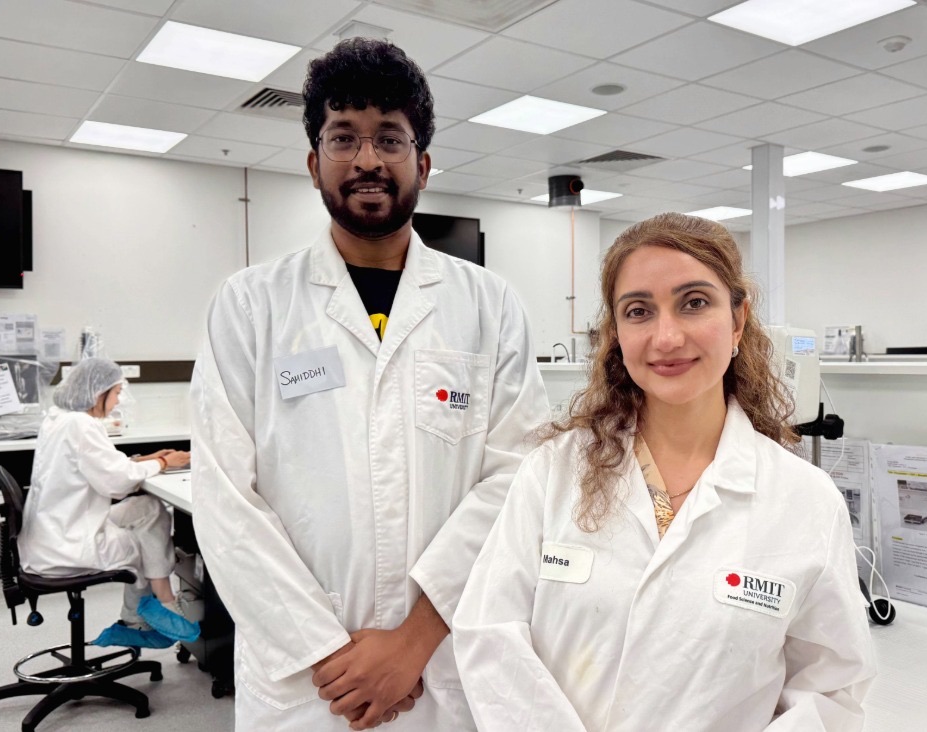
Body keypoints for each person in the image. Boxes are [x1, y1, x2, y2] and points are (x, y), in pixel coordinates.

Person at [190, 37, 549, 731]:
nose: (366, 159)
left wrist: (412, 643)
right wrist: (329, 654)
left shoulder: (489, 305)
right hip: (309, 685)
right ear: (313, 162)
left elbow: (518, 480)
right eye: (342, 137)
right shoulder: (250, 305)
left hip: (441, 664)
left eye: (389, 138)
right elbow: (225, 499)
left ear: (423, 163)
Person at [453, 213, 877, 731]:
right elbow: (489, 633)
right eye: (639, 311)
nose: (667, 336)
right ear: (615, 333)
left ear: (738, 320)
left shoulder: (805, 499)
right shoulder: (552, 471)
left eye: (694, 302)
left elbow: (830, 690)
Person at [20, 358, 197, 643]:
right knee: (145, 543)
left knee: (149, 508)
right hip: (69, 546)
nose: (118, 401)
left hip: (56, 531)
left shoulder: (59, 418)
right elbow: (117, 484)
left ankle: (154, 605)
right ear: (97, 392)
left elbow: (98, 465)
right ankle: (147, 613)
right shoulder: (81, 425)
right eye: (116, 393)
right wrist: (164, 463)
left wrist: (148, 459)